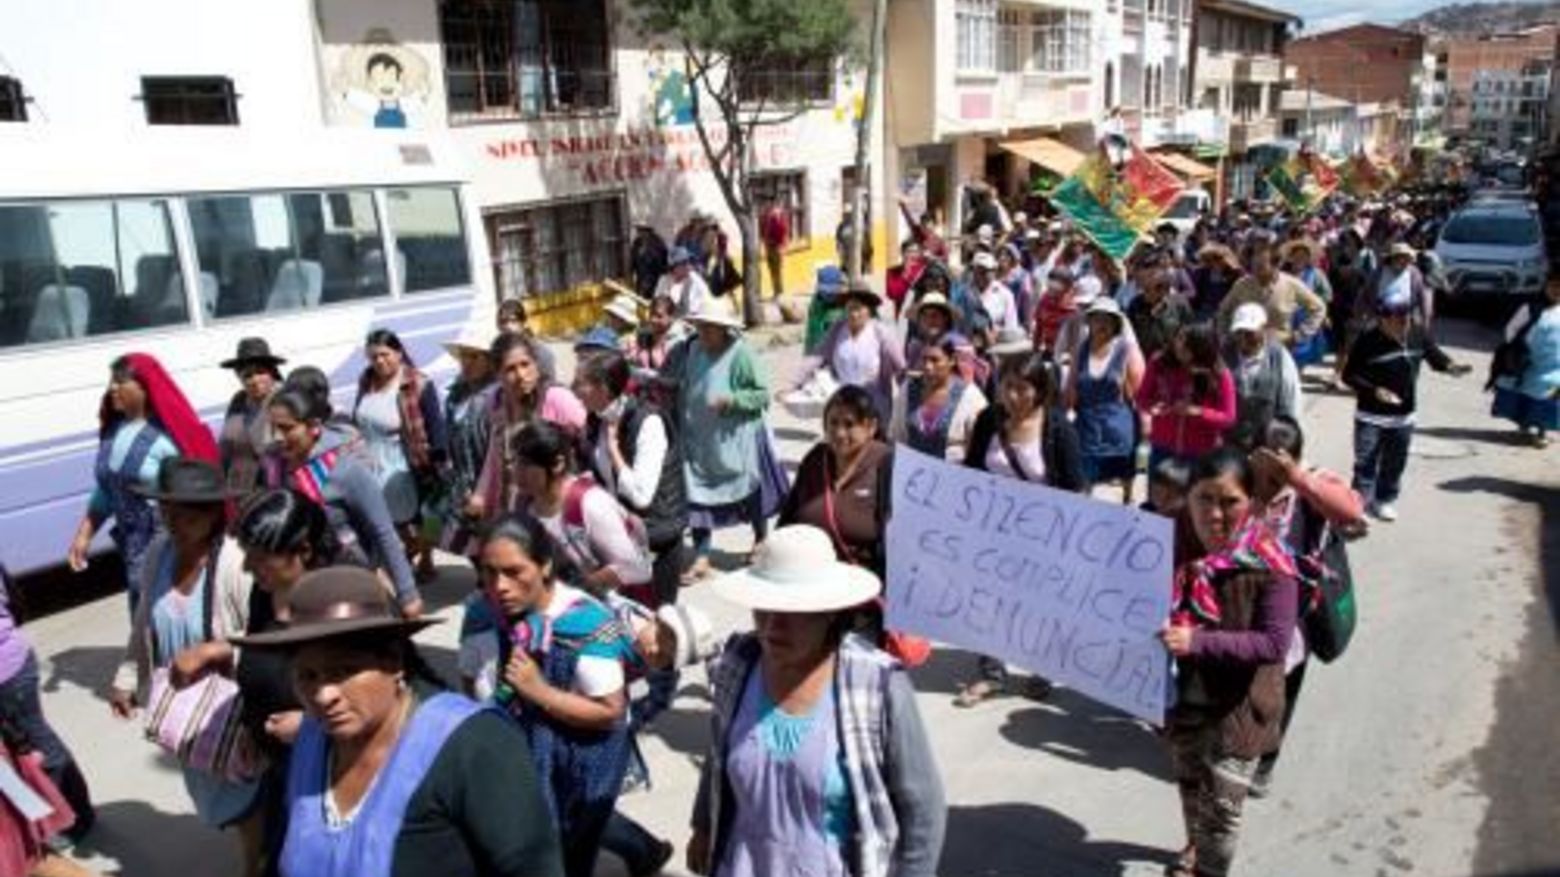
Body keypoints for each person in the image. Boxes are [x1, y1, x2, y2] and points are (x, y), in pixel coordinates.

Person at [232, 566, 565, 877]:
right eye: (308, 676)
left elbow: (531, 865)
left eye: (343, 671)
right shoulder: (310, 743)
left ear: (393, 661)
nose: (323, 695)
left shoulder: (472, 745)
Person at [687, 525, 946, 877]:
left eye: (794, 611)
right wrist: (704, 825)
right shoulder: (739, 663)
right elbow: (718, 753)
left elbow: (923, 809)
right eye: (763, 608)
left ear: (829, 613)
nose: (774, 626)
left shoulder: (877, 684)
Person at [107, 458, 265, 874]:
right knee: (214, 783)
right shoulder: (160, 552)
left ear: (213, 513)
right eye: (166, 511)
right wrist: (126, 677)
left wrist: (214, 650)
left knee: (247, 798)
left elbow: (266, 638)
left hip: (231, 704)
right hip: (186, 705)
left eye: (185, 514)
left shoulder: (236, 562)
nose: (173, 522)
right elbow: (144, 617)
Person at [1160, 448, 1298, 877]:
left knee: (1221, 810)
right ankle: (1193, 849)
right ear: (1189, 497)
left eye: (1229, 501)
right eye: (1204, 498)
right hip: (1184, 697)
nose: (1214, 514)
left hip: (1241, 706)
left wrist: (1198, 642)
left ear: (1253, 503)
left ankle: (1207, 869)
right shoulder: (1168, 543)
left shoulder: (1273, 562)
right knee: (1190, 785)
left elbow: (1273, 643)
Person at [473, 516, 633, 877]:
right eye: (489, 572)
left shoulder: (585, 627)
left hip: (583, 764)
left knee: (566, 854)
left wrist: (539, 691)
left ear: (544, 566)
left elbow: (610, 711)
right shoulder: (501, 613)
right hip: (532, 752)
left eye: (514, 572)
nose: (500, 586)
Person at [955, 354, 1085, 706]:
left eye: (1021, 388)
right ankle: (992, 673)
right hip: (992, 533)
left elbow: (1076, 488)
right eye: (1006, 387)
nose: (1011, 396)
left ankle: (1041, 670)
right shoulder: (988, 420)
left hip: (1041, 537)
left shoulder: (1058, 429)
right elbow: (971, 471)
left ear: (1040, 392)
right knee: (988, 600)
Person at [1246, 416, 1365, 798]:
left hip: (1294, 617)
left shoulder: (1312, 485)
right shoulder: (1241, 480)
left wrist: (1296, 478)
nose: (1265, 483)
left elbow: (1351, 513)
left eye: (1274, 474)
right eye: (1258, 470)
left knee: (1279, 691)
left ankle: (1264, 762)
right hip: (1241, 607)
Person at [67, 353, 219, 615]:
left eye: (121, 381)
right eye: (111, 381)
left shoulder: (168, 438)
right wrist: (85, 534)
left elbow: (196, 491)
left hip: (169, 542)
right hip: (132, 547)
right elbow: (106, 490)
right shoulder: (113, 433)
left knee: (167, 611)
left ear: (144, 388)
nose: (112, 388)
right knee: (143, 614)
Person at [266, 384, 423, 614]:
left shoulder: (346, 470)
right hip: (304, 593)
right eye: (273, 429)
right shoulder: (275, 470)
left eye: (287, 428)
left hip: (352, 584)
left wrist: (408, 594)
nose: (278, 437)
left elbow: (383, 531)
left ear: (314, 427)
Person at [675, 309, 789, 582]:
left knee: (749, 490)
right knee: (697, 496)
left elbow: (762, 395)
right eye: (699, 327)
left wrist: (733, 400)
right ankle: (702, 556)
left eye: (708, 328)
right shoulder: (694, 351)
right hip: (701, 440)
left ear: (723, 328)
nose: (702, 333)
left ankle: (760, 538)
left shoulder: (741, 353)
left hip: (736, 441)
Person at [1342, 297, 1471, 522]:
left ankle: (1384, 500)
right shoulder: (1367, 340)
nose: (1405, 322)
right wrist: (1374, 391)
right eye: (1398, 318)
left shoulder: (1417, 334)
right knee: (1365, 464)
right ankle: (1359, 505)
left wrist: (1451, 366)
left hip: (1403, 417)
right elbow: (1349, 375)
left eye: (1407, 316)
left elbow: (1434, 356)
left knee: (1395, 463)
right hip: (1370, 416)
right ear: (1383, 319)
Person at [574, 351, 686, 607]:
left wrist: (614, 450)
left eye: (580, 383)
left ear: (602, 388)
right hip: (620, 543)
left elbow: (641, 496)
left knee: (654, 629)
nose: (575, 391)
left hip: (655, 542)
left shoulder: (648, 422)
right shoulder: (596, 420)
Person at [0, 565, 95, 846]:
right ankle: (35, 826)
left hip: (9, 672)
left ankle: (76, 819)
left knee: (38, 747)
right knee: (15, 757)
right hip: (14, 664)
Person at [509, 420, 654, 600]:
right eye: (513, 462)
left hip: (602, 610)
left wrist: (574, 592)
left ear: (557, 464)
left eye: (525, 464)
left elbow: (632, 568)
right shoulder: (522, 501)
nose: (515, 471)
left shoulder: (591, 503)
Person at [354, 329, 448, 583]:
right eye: (374, 357)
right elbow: (357, 417)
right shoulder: (366, 381)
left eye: (385, 355)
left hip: (410, 459)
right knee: (389, 519)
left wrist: (439, 457)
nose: (380, 361)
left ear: (398, 352)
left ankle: (425, 556)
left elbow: (435, 422)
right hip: (373, 460)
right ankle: (412, 548)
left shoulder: (418, 382)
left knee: (427, 515)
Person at [778, 386, 894, 578]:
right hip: (810, 583)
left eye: (849, 424)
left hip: (864, 592)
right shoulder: (815, 459)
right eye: (833, 423)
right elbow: (788, 518)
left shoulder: (886, 465)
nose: (839, 433)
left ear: (871, 427)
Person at [471, 332, 588, 520]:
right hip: (514, 509)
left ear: (536, 364)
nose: (520, 375)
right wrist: (480, 495)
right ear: (497, 373)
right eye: (510, 369)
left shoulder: (556, 398)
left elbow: (591, 442)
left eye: (525, 364)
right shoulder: (497, 404)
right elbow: (494, 456)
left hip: (556, 511)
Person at [790, 285, 906, 423]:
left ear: (869, 311)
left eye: (859, 309)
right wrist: (794, 385)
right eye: (850, 308)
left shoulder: (881, 333)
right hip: (843, 401)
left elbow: (900, 368)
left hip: (874, 403)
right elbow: (816, 357)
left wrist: (909, 394)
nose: (854, 314)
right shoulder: (838, 330)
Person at [1066, 299, 1146, 497]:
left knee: (1125, 481)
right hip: (1086, 427)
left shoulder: (1127, 350)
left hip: (1118, 429)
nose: (1101, 324)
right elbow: (1070, 388)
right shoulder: (1080, 351)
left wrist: (1144, 425)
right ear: (1089, 322)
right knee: (1084, 484)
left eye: (1107, 320)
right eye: (1097, 319)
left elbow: (1138, 392)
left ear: (1115, 324)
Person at [1136, 323, 1237, 470]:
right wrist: (1153, 407)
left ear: (1201, 350)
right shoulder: (1159, 363)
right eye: (1178, 341)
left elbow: (1228, 417)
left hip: (1200, 452)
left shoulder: (1219, 373)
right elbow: (1141, 398)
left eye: (1186, 348)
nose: (1179, 349)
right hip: (1162, 447)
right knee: (1158, 492)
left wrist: (1198, 412)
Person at [439, 327, 498, 557]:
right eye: (464, 355)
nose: (467, 362)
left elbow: (495, 452)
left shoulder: (496, 396)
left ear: (490, 360)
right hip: (462, 487)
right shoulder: (455, 394)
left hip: (487, 489)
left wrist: (482, 491)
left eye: (475, 356)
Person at [890, 338, 988, 462]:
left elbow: (978, 445)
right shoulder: (908, 389)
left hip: (952, 473)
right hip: (912, 472)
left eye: (935, 360)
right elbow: (897, 436)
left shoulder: (970, 396)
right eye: (924, 360)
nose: (928, 367)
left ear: (951, 360)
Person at [1489, 276, 1560, 447]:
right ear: (1546, 287)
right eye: (1554, 286)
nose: (1557, 291)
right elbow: (1510, 329)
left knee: (1549, 399)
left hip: (1555, 366)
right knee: (1527, 395)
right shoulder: (1530, 308)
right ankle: (1526, 425)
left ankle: (1541, 432)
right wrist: (1517, 351)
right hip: (1530, 362)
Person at [1216, 238, 1326, 348]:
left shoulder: (1291, 284)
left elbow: (1319, 308)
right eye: (1253, 265)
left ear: (1275, 265)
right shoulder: (1242, 285)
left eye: (1260, 267)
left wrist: (1298, 336)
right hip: (1246, 352)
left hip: (1279, 349)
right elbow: (1223, 310)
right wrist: (1225, 336)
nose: (1254, 271)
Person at [1221, 303, 1301, 451]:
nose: (1243, 338)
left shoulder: (1279, 355)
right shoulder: (1224, 353)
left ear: (1264, 329)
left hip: (1268, 440)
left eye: (1249, 332)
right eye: (1239, 332)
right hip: (1230, 441)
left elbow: (1291, 400)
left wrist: (1288, 438)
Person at [219, 338, 286, 498]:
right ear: (239, 377)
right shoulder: (238, 401)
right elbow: (226, 444)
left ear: (272, 372)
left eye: (261, 372)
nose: (255, 380)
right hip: (241, 488)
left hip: (277, 486)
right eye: (248, 375)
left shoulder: (285, 400)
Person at [1127, 268, 1195, 361]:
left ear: (1163, 291)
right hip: (1145, 358)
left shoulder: (1179, 304)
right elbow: (1131, 334)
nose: (1143, 293)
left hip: (1174, 358)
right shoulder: (1135, 304)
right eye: (1143, 288)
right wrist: (1150, 318)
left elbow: (1189, 330)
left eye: (1147, 290)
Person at [968, 251, 1019, 340]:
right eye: (977, 270)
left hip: (997, 346)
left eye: (985, 271)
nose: (980, 275)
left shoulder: (1005, 295)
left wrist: (996, 332)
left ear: (994, 271)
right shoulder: (964, 292)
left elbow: (1011, 327)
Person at [654, 246, 712, 318]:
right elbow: (657, 302)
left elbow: (693, 310)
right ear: (674, 267)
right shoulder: (664, 280)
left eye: (689, 262)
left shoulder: (695, 281)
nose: (688, 266)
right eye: (684, 263)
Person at [760, 199, 790, 302]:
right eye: (771, 207)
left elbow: (783, 233)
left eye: (774, 208)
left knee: (777, 271)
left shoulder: (779, 219)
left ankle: (779, 293)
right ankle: (776, 292)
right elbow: (764, 233)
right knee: (772, 271)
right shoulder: (768, 219)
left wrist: (782, 247)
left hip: (776, 247)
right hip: (769, 247)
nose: (772, 209)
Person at [630, 224, 670, 301]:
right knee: (640, 297)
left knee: (653, 297)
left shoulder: (657, 242)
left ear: (648, 231)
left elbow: (661, 260)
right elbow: (633, 258)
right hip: (641, 276)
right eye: (639, 230)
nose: (640, 233)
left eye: (642, 230)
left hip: (654, 276)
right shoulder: (637, 242)